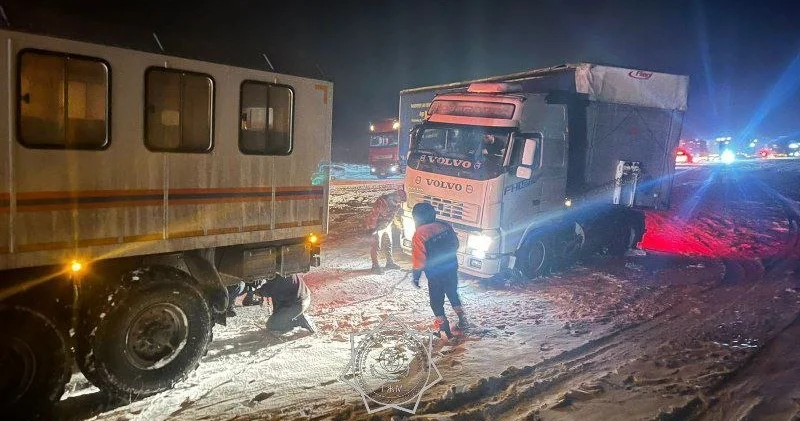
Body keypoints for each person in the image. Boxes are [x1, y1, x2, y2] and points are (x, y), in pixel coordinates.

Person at [410, 202, 467, 339]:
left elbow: (419, 259)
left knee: (436, 300)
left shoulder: (420, 234)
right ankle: (462, 318)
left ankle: (444, 329)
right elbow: (456, 244)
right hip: (451, 268)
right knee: (452, 292)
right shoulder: (445, 225)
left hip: (435, 274)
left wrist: (416, 276)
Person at [366, 189, 407, 274]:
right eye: (400, 199)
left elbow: (394, 215)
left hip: (386, 225)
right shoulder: (382, 201)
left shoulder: (397, 204)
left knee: (388, 244)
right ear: (396, 195)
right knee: (376, 246)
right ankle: (375, 266)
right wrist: (371, 228)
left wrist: (399, 226)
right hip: (377, 226)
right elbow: (374, 214)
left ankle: (389, 263)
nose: (400, 202)